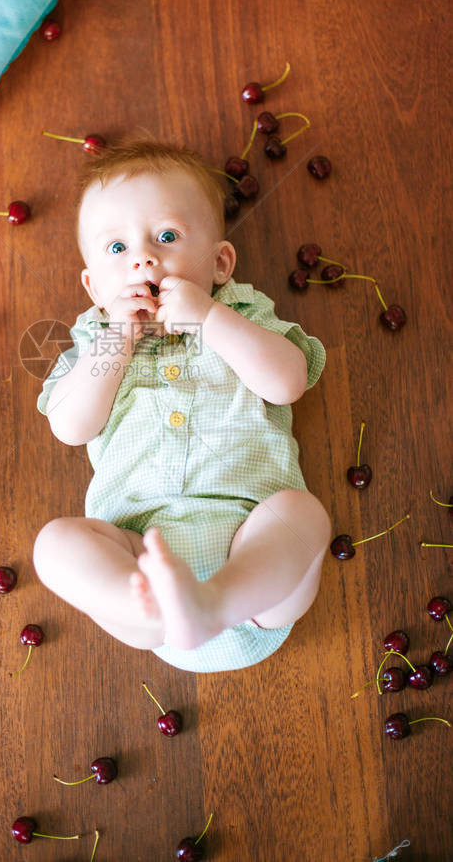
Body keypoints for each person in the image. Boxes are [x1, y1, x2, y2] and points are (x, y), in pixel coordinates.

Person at [33, 141, 331, 672]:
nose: (144, 258)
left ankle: (214, 601)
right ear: (93, 287)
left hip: (254, 551)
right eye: (117, 250)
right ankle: (152, 610)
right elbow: (70, 426)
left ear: (220, 263)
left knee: (302, 515)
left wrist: (209, 317)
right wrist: (118, 337)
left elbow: (287, 383)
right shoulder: (97, 338)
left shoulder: (241, 312)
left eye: (167, 237)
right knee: (55, 544)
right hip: (138, 553)